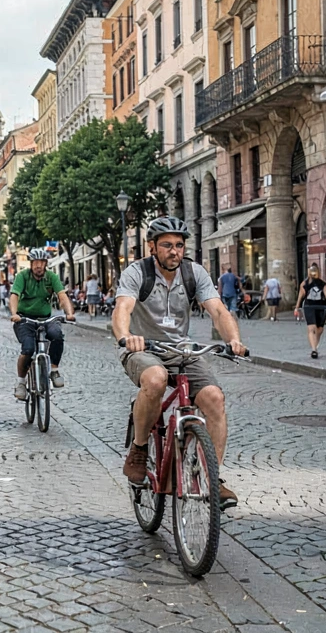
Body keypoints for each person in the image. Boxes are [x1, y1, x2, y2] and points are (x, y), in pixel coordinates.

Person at [114, 216, 247, 509]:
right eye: (166, 246)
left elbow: (218, 311)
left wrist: (233, 340)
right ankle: (138, 450)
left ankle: (213, 477)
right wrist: (126, 336)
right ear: (152, 247)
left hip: (181, 350)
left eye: (179, 245)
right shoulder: (137, 272)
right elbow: (123, 307)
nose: (174, 251)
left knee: (214, 398)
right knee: (156, 380)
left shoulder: (193, 273)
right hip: (143, 348)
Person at [8, 248, 76, 399]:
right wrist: (14, 314)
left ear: (45, 264)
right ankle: (21, 382)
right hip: (24, 319)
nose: (38, 266)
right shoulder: (22, 276)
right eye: (35, 263)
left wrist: (69, 313)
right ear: (31, 264)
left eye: (42, 263)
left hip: (45, 319)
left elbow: (62, 296)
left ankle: (54, 370)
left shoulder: (51, 277)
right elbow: (14, 296)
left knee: (57, 335)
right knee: (28, 349)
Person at [295, 264, 326, 359]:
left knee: (320, 329)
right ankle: (314, 350)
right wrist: (297, 307)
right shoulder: (305, 283)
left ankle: (315, 344)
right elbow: (300, 295)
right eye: (312, 271)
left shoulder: (322, 283)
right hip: (309, 306)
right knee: (312, 328)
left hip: (321, 307)